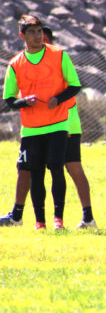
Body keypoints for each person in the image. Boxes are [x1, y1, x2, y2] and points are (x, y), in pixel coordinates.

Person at [0, 14, 81, 230]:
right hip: (32, 128)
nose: (37, 36)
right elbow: (9, 101)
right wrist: (24, 101)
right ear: (22, 36)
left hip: (58, 123)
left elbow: (75, 86)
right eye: (32, 33)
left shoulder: (59, 55)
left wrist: (59, 98)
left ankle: (58, 220)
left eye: (39, 31)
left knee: (56, 167)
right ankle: (40, 222)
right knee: (35, 172)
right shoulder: (15, 64)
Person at [44, 27, 97, 229]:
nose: (40, 42)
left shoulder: (58, 60)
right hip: (46, 124)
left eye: (44, 38)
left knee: (72, 169)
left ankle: (86, 218)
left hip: (65, 123)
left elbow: (73, 89)